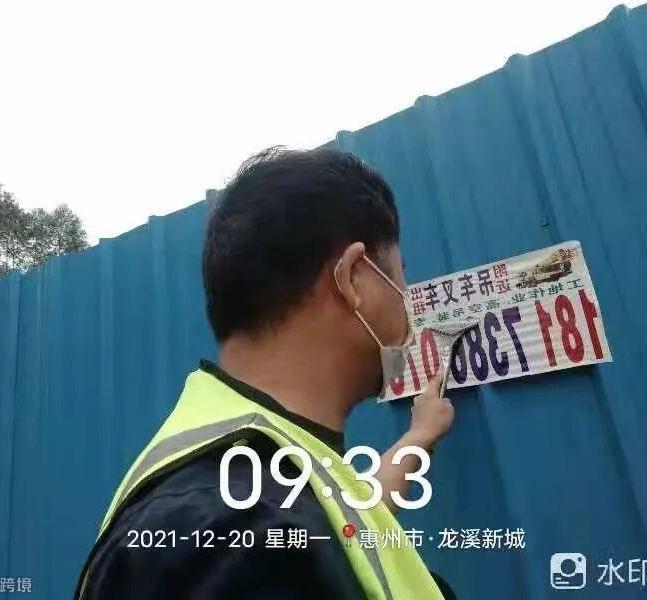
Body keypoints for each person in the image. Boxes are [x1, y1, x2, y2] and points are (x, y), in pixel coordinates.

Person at [76, 147, 457, 599]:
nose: (407, 301)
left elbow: (352, 514)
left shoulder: (250, 477)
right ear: (354, 278)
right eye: (399, 275)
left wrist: (420, 435)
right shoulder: (237, 538)